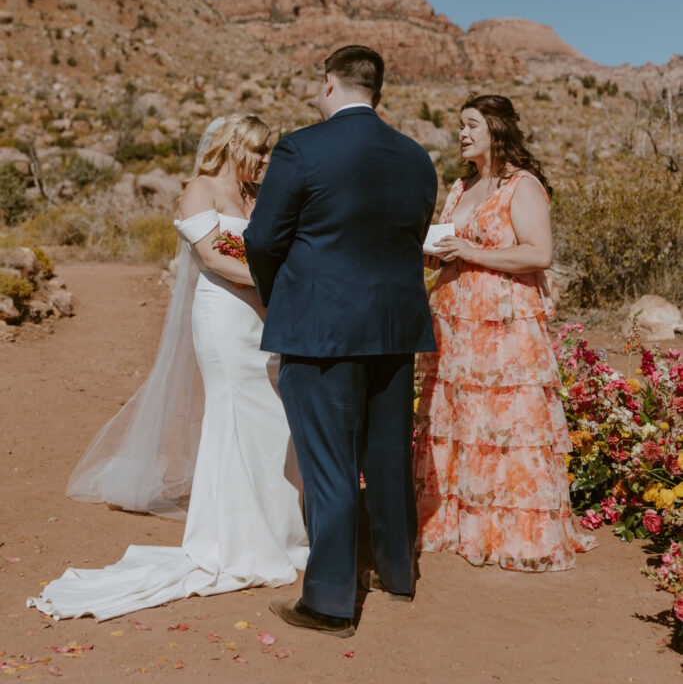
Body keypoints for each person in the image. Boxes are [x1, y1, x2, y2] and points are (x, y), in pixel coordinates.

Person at [27, 114, 308, 621]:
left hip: (264, 322)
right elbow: (216, 258)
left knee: (274, 420)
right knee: (235, 416)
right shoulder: (200, 190)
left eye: (270, 152)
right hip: (225, 318)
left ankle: (280, 531)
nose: (267, 161)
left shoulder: (257, 197)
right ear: (232, 145)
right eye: (260, 151)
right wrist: (282, 291)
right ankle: (235, 537)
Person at [244, 45, 438, 638]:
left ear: (330, 84)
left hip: (321, 329)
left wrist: (283, 296)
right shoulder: (416, 158)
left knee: (328, 463)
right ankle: (397, 574)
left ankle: (329, 601)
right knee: (386, 455)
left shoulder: (302, 147)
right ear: (375, 90)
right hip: (395, 327)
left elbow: (262, 239)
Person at [414, 94, 596, 571]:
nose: (462, 133)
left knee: (506, 424)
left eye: (472, 125)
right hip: (455, 320)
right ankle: (461, 526)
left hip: (504, 325)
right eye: (460, 125)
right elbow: (455, 246)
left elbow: (538, 254)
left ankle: (513, 533)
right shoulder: (460, 186)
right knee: (462, 420)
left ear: (496, 129)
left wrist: (469, 252)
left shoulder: (523, 186)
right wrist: (436, 254)